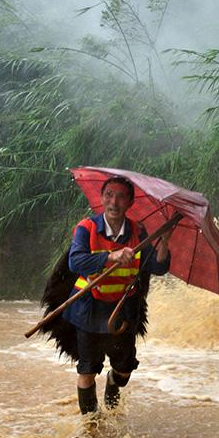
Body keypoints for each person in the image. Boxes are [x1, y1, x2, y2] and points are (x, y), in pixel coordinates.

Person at [62, 175, 171, 416]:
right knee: (87, 370)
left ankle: (113, 381)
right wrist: (110, 256)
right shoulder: (87, 228)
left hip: (122, 311)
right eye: (109, 195)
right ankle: (92, 425)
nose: (114, 202)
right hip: (88, 309)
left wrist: (163, 244)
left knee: (124, 371)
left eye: (121, 196)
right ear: (101, 199)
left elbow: (157, 267)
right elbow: (75, 261)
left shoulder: (138, 232)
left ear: (130, 203)